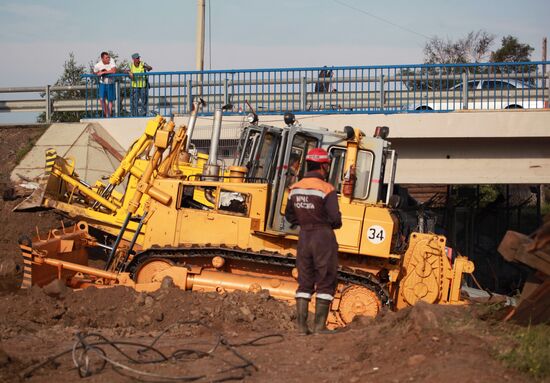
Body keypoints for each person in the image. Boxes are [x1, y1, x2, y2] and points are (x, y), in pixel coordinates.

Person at [284, 147, 342, 335]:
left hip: (304, 236)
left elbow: (289, 216)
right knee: (325, 279)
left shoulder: (295, 188)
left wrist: (304, 221)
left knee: (305, 280)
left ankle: (301, 327)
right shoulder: (327, 188)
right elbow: (335, 219)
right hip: (322, 236)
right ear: (324, 166)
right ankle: (319, 327)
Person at [93, 52, 117, 118]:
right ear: (102, 59)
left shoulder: (111, 61)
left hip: (110, 83)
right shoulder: (98, 65)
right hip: (103, 83)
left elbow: (114, 71)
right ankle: (106, 114)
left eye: (108, 57)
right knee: (101, 99)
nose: (108, 59)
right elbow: (95, 72)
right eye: (106, 58)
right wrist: (98, 73)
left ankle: (109, 115)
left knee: (110, 100)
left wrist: (103, 72)